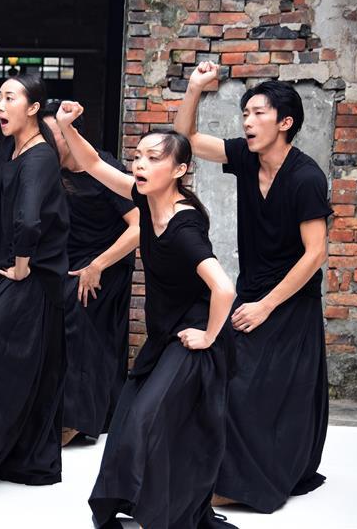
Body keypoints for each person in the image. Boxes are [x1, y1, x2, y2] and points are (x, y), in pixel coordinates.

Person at [55, 101, 238, 528]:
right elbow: (93, 165)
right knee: (127, 422)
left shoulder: (183, 227)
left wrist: (210, 336)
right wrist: (66, 126)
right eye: (138, 156)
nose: (140, 164)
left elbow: (224, 288)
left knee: (145, 419)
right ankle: (135, 505)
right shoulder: (143, 197)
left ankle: (167, 513)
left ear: (179, 170)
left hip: (191, 340)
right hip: (163, 335)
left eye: (154, 158)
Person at [175, 62, 331, 513]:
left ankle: (253, 480)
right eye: (245, 113)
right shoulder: (245, 157)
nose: (247, 120)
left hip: (288, 300)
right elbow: (184, 142)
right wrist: (194, 89)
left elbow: (315, 254)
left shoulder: (305, 178)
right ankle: (223, 470)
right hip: (252, 291)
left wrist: (264, 306)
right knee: (228, 379)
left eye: (258, 113)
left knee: (261, 390)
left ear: (286, 123)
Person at [0, 29, 70, 491]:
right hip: (8, 274)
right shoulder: (11, 141)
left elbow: (28, 217)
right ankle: (1, 453)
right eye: (0, 96)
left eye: (9, 98)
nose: (0, 105)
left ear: (34, 108)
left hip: (30, 279)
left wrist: (23, 261)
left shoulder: (40, 155)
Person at [41, 100, 139, 444]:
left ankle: (77, 418)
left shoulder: (102, 168)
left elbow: (139, 225)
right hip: (69, 262)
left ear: (71, 134)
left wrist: (98, 265)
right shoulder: (50, 170)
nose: (49, 143)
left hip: (106, 263)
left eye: (54, 135)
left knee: (81, 322)